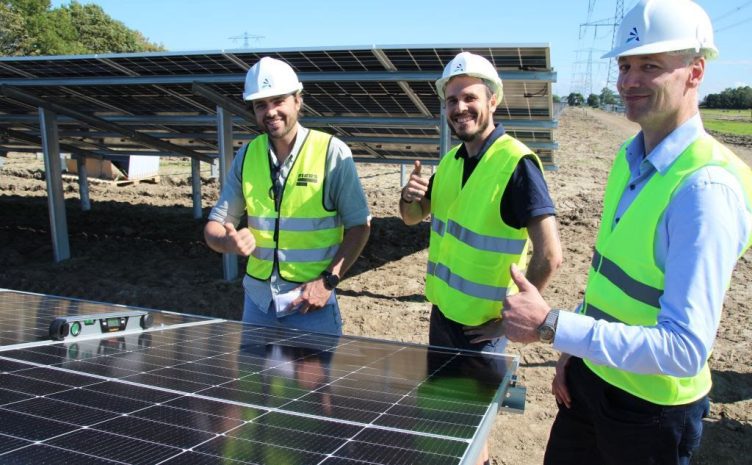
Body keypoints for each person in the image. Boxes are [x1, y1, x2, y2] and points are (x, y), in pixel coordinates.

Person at [493, 1, 752, 464]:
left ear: (695, 72)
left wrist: (555, 326)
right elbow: (609, 279)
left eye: (650, 66)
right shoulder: (628, 160)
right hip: (593, 381)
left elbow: (683, 351)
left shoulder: (704, 189)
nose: (629, 81)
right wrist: (574, 350)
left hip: (650, 413)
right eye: (625, 65)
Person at [399, 51, 563, 465]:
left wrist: (511, 318)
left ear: (493, 101)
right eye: (452, 101)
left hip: (483, 333)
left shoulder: (516, 164)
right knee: (444, 419)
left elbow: (550, 254)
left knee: (472, 427)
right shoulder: (452, 161)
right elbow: (413, 217)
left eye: (469, 98)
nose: (459, 108)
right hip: (444, 317)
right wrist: (409, 198)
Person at [204, 56, 370, 336]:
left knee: (312, 380)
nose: (270, 112)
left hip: (310, 304)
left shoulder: (331, 152)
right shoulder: (247, 156)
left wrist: (327, 282)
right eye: (261, 105)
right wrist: (227, 242)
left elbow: (360, 225)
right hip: (258, 304)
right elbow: (213, 228)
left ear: (297, 100)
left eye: (278, 100)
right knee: (252, 379)